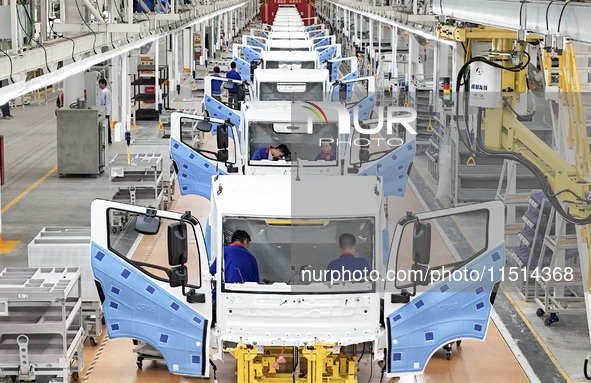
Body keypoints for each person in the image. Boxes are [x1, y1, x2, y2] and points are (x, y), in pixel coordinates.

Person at [209, 230, 260, 300]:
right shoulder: (251, 258)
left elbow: (211, 273)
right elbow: (255, 283)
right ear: (245, 241)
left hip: (221, 297)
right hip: (244, 298)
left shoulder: (223, 251)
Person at [98, 78, 112, 144]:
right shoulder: (108, 91)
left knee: (104, 126)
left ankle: (107, 139)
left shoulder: (104, 92)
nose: (99, 86)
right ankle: (109, 139)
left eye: (100, 84)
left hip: (104, 111)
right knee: (108, 125)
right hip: (107, 111)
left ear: (103, 84)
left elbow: (102, 102)